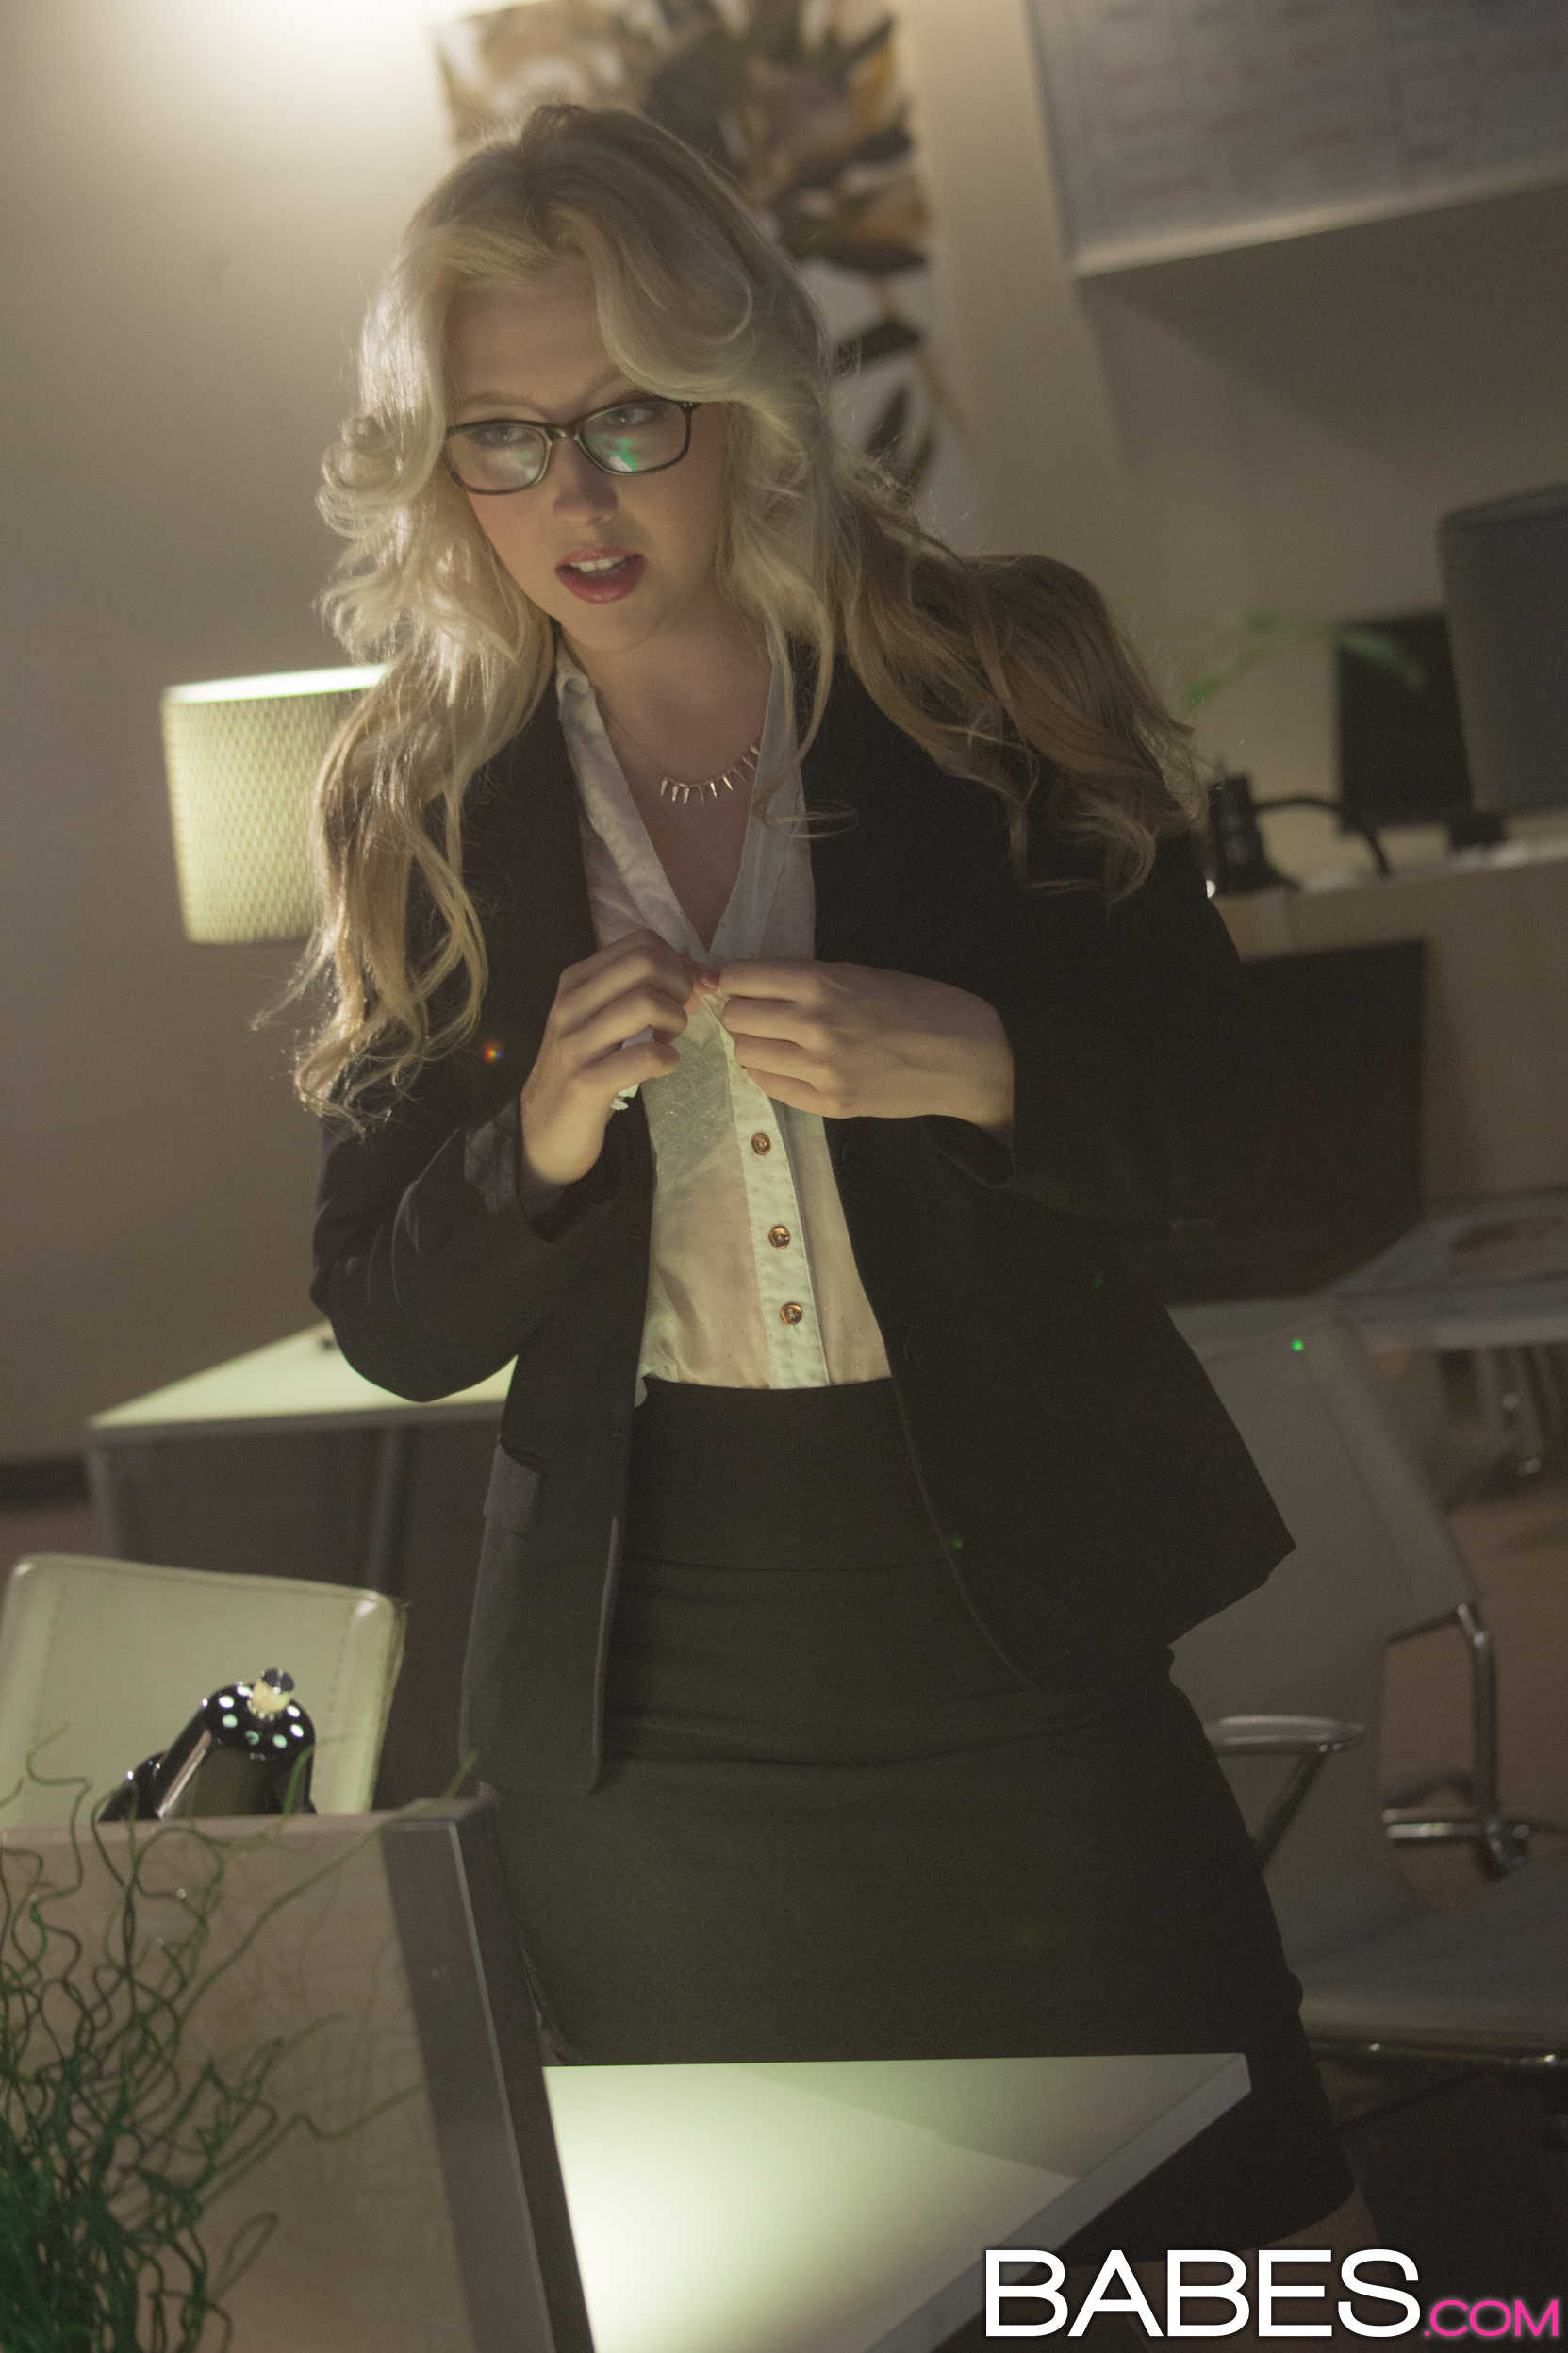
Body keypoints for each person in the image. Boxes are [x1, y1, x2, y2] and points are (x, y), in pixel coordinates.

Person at [297, 101, 1378, 2326]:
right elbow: (388, 1320)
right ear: (445, 469)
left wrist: (973, 1059)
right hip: (646, 1697)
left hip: (1006, 1618)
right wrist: (539, 1146)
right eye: (507, 439)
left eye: (631, 417)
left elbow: (1247, 1146)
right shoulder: (418, 796)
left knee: (1199, 2253)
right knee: (778, 2286)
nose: (577, 499)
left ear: (750, 395)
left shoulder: (993, 676)